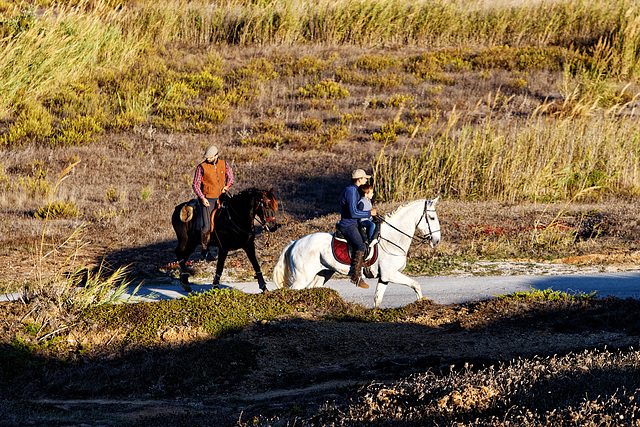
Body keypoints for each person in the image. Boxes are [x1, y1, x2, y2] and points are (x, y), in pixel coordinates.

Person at [337, 169, 376, 289]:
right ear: (359, 180)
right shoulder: (351, 191)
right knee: (361, 246)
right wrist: (369, 213)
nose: (366, 180)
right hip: (348, 225)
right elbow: (353, 213)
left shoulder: (356, 190)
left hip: (355, 224)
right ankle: (356, 277)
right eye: (365, 178)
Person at [192, 145, 234, 252]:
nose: (208, 159)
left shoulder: (223, 164)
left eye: (210, 157)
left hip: (222, 197)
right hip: (208, 199)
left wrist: (227, 186)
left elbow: (230, 177)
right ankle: (205, 249)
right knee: (207, 226)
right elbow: (195, 184)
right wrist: (202, 198)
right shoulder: (201, 167)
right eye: (207, 157)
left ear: (216, 156)